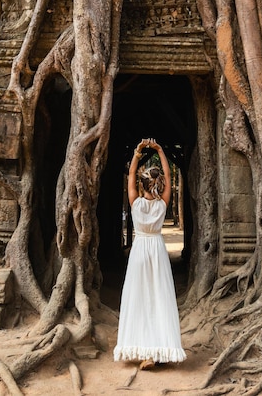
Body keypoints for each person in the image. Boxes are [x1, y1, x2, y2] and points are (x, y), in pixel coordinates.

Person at [113, 138, 186, 369]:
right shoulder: (163, 203)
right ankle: (158, 348)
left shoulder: (135, 202)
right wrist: (160, 150)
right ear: (159, 184)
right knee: (159, 298)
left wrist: (137, 152)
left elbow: (131, 175)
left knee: (139, 298)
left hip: (139, 251)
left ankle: (145, 348)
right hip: (157, 249)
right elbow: (167, 173)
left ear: (142, 185)